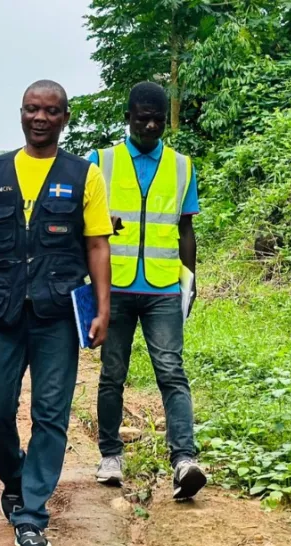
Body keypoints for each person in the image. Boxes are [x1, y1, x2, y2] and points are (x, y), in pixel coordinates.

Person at [0, 80, 112, 546]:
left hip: (57, 314)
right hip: (2, 310)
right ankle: (15, 474)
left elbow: (97, 244)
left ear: (65, 117)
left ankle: (31, 514)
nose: (39, 118)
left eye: (50, 111)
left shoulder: (84, 175)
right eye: (31, 109)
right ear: (20, 113)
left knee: (50, 414)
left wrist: (103, 307)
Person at [88, 81, 207, 500]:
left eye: (158, 118)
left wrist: (189, 282)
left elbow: (186, 229)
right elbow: (86, 227)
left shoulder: (181, 166)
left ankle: (185, 460)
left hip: (162, 288)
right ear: (128, 116)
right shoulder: (99, 161)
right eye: (143, 117)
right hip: (114, 286)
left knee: (172, 372)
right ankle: (110, 456)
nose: (152, 125)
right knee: (112, 374)